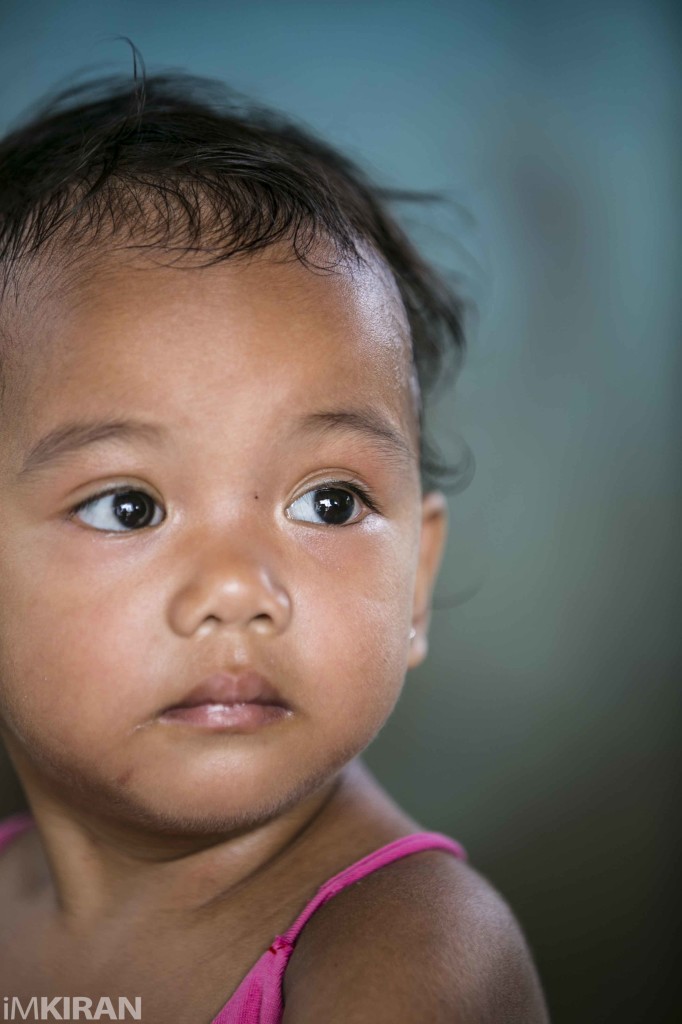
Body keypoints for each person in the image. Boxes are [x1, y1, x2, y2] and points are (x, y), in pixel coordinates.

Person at [0, 65, 549, 1024]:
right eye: (127, 506)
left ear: (416, 584)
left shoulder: (411, 958)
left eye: (330, 503)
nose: (239, 589)